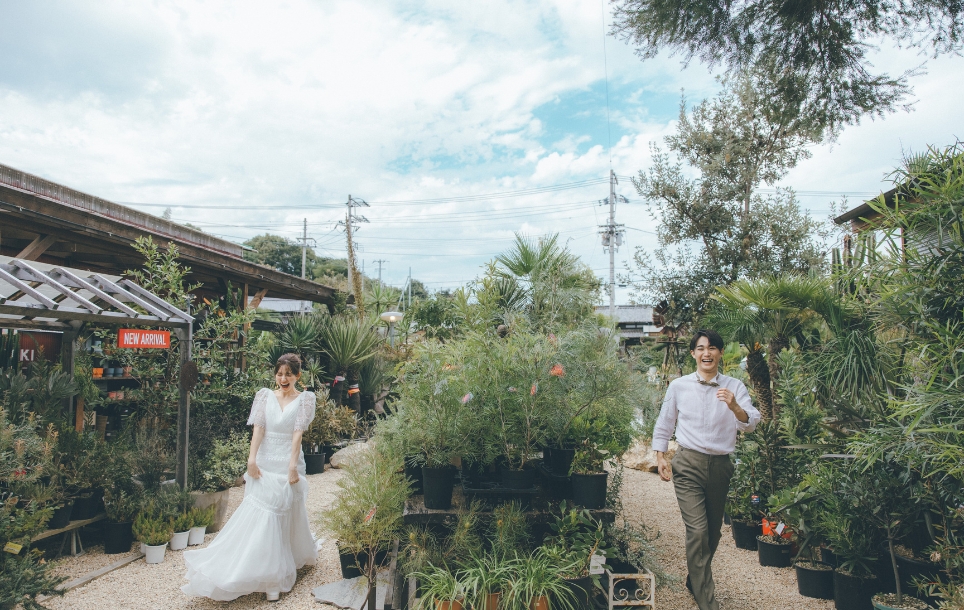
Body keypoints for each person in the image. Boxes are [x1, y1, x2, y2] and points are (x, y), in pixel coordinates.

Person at [182, 353, 318, 602]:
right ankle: (258, 573)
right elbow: (259, 429)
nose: (283, 379)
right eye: (279, 374)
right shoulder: (264, 396)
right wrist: (251, 459)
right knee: (263, 516)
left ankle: (276, 573)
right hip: (264, 462)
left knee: (282, 514)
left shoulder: (306, 400)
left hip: (286, 462)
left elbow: (298, 434)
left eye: (288, 374)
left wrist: (292, 467)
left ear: (298, 376)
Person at [651, 329, 760, 610]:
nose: (706, 353)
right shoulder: (679, 386)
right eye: (701, 348)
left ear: (720, 353)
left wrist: (734, 406)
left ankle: (694, 579)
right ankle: (708, 601)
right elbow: (665, 421)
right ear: (693, 354)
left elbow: (750, 423)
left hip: (721, 466)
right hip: (688, 464)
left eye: (712, 348)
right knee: (698, 532)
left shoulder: (735, 387)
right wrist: (660, 456)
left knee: (713, 533)